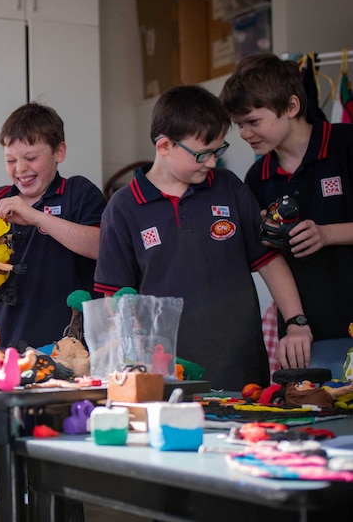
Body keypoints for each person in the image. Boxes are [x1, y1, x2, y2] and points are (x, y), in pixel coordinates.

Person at [94, 85, 312, 390]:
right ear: (165, 146)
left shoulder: (228, 187)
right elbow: (114, 300)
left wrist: (297, 323)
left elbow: (269, 260)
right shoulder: (123, 208)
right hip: (166, 373)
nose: (212, 162)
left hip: (240, 364)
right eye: (203, 153)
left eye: (218, 150)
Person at [220, 53, 353, 368]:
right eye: (239, 124)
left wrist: (327, 233)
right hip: (303, 335)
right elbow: (266, 259)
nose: (245, 133)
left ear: (291, 107)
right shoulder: (257, 177)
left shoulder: (345, 145)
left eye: (253, 121)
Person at [0, 102, 107, 349]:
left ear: (59, 152)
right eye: (10, 160)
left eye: (31, 158)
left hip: (67, 346)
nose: (20, 169)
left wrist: (36, 217)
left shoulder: (79, 192)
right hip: (1, 343)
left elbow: (101, 246)